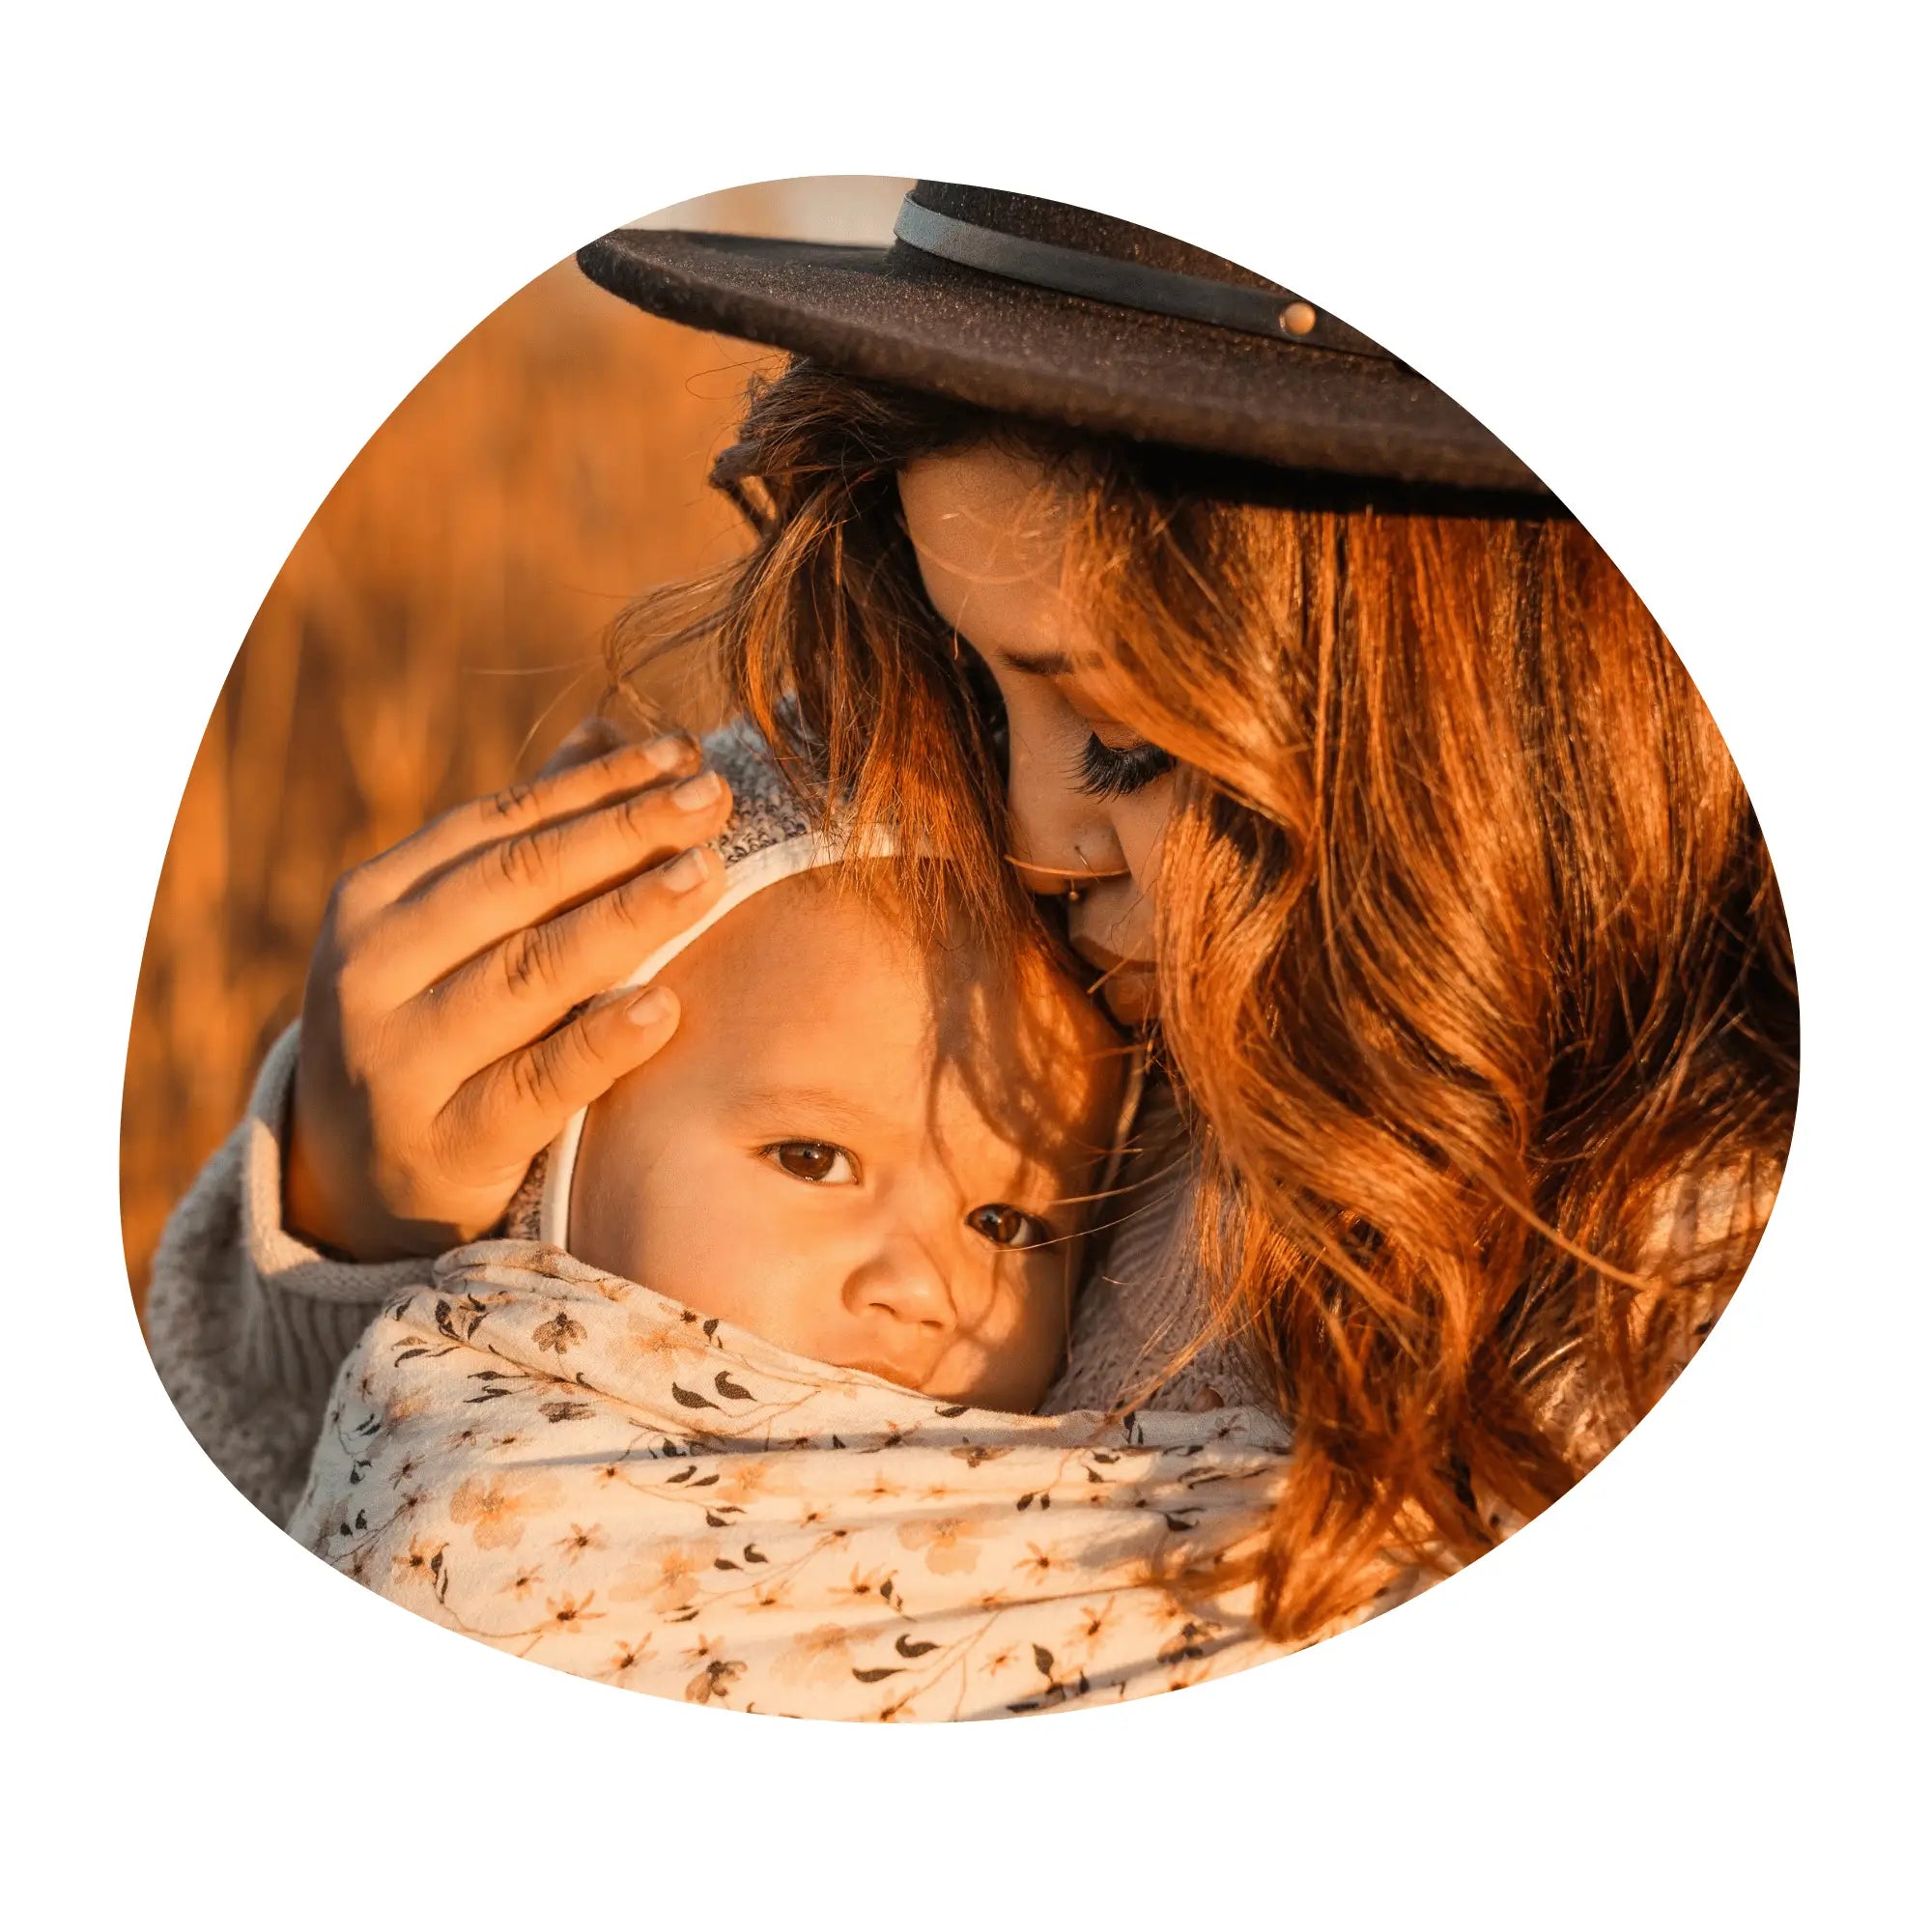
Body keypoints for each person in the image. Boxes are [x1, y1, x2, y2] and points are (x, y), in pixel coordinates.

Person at [146, 182, 1798, 1648]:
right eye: (974, 675)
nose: (1018, 837)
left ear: (1480, 704)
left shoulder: (1679, 1271)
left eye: (1131, 740)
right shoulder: (871, 818)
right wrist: (364, 1228)